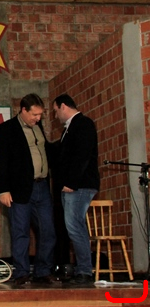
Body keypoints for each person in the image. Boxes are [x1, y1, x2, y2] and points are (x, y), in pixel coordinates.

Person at [0, 93, 57, 285]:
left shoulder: (38, 128)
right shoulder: (7, 129)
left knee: (48, 230)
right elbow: (0, 162)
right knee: (20, 231)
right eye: (34, 114)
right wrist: (3, 190)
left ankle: (42, 271)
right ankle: (21, 272)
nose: (37, 118)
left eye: (40, 115)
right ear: (23, 110)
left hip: (42, 187)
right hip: (19, 189)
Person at [52, 94, 100, 284]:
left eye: (56, 111)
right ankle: (82, 268)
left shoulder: (83, 124)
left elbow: (82, 155)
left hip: (79, 185)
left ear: (63, 106)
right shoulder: (70, 128)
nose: (55, 115)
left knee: (74, 226)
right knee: (73, 226)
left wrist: (71, 182)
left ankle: (85, 270)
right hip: (73, 186)